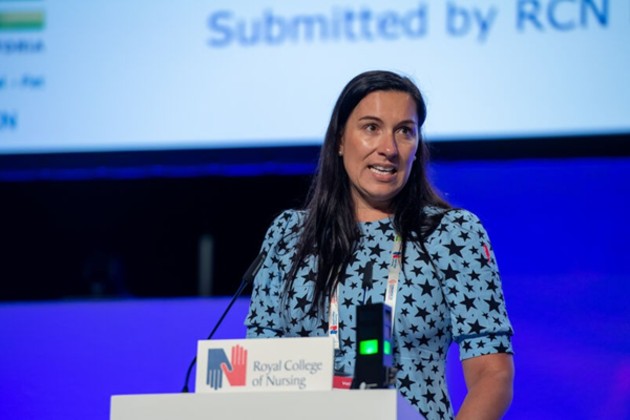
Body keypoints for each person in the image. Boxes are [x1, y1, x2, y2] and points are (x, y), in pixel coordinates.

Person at [245, 70, 514, 419]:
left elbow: (493, 374)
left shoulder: (453, 234)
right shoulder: (288, 236)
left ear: (417, 146)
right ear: (340, 140)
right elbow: (258, 367)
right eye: (371, 127)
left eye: (404, 131)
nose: (388, 148)